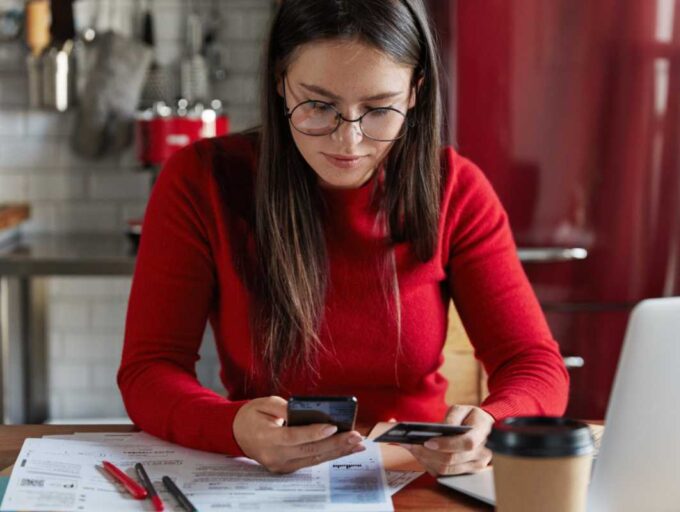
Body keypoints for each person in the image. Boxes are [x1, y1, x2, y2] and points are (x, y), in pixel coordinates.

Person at [118, 0, 568, 476]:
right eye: (318, 105)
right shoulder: (200, 180)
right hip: (264, 479)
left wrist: (493, 425)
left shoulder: (455, 189)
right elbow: (149, 371)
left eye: (378, 109)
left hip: (413, 478)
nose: (347, 142)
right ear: (279, 82)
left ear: (415, 92)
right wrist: (232, 427)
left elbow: (533, 363)